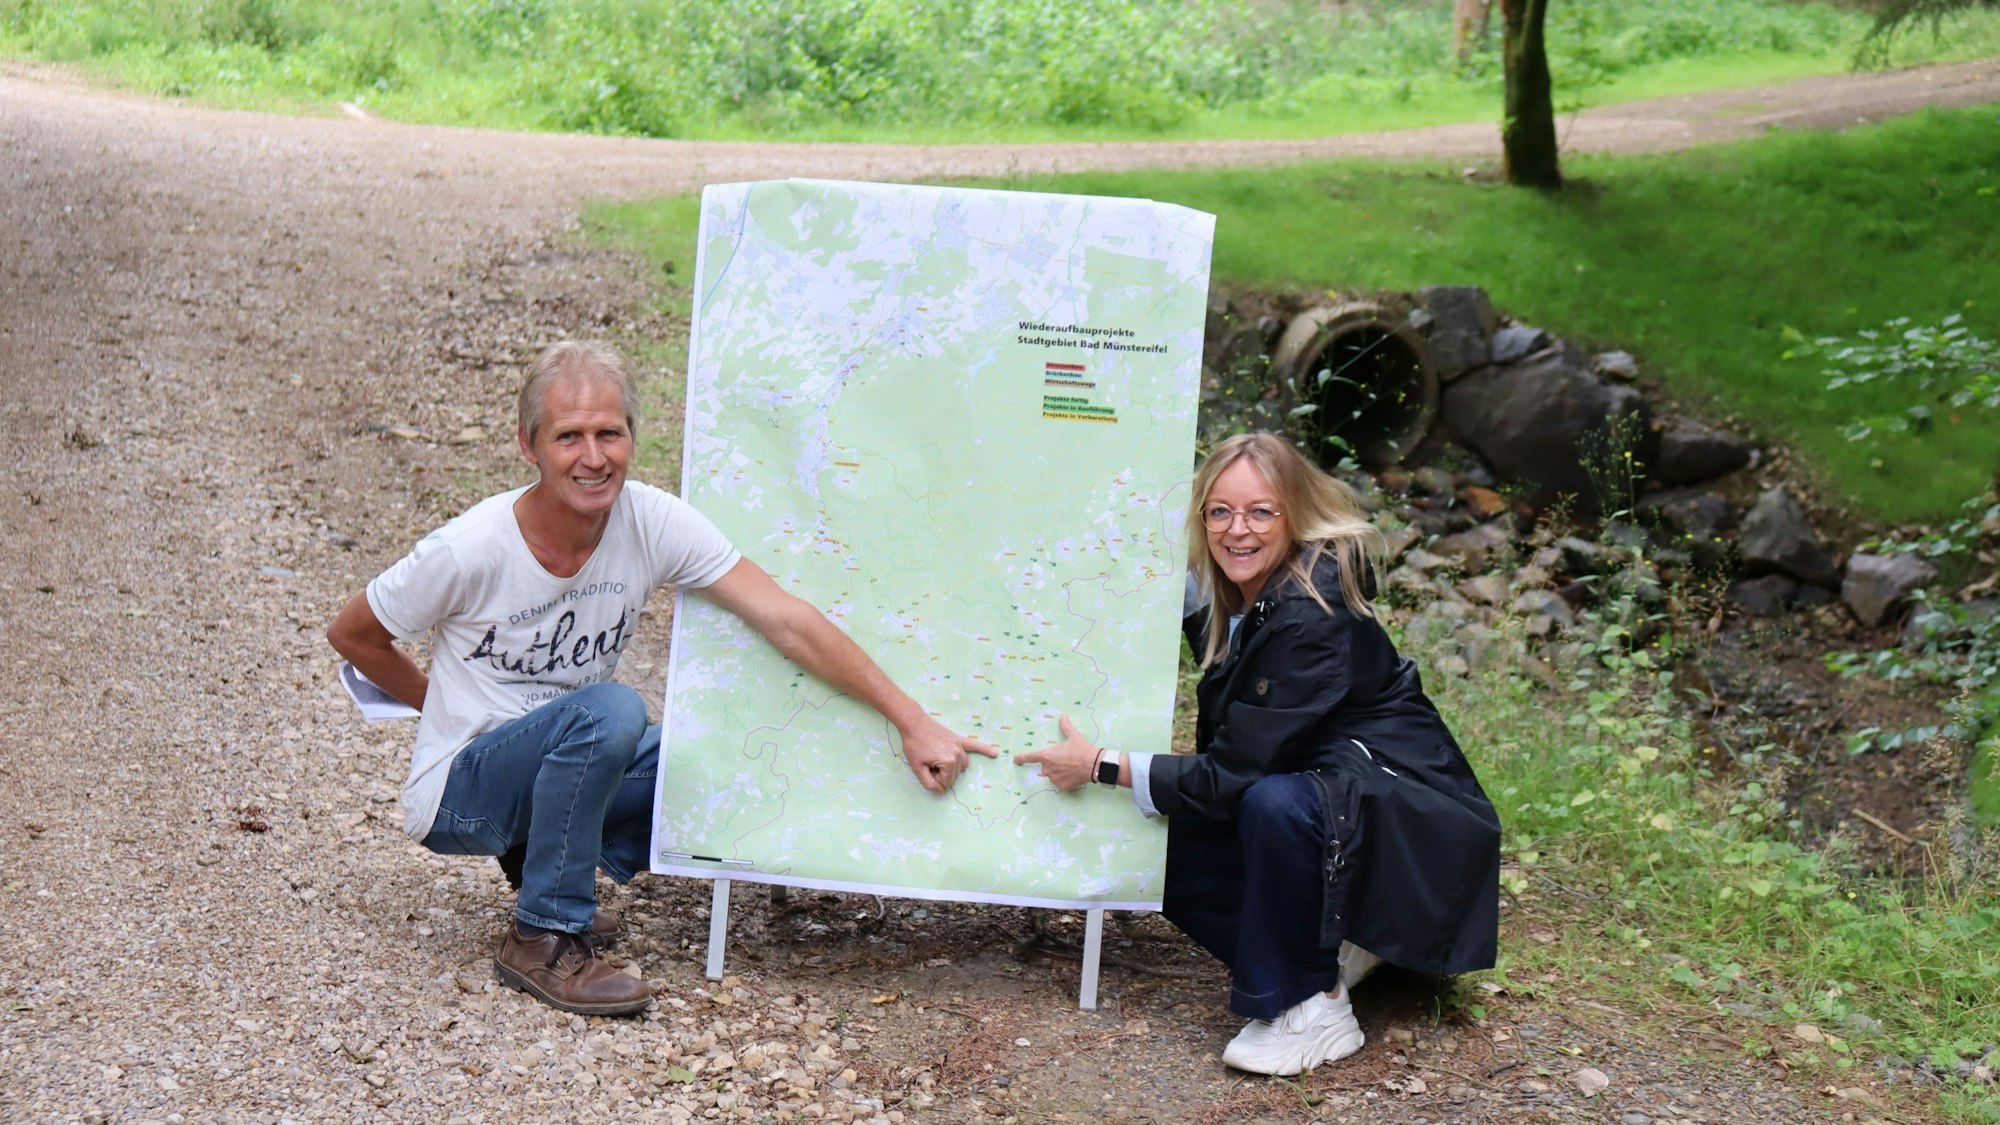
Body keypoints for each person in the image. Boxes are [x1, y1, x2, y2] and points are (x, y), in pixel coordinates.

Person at [328, 341, 996, 1017]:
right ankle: (543, 937)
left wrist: (912, 720)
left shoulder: (652, 522)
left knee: (714, 747)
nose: (594, 457)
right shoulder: (470, 546)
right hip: (460, 791)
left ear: (632, 438)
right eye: (569, 437)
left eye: (610, 433)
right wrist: (443, 707)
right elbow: (354, 633)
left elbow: (786, 619)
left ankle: (544, 868)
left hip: (559, 757)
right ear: (529, 446)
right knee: (612, 712)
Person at [1016, 432, 1500, 1076]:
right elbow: (1232, 667)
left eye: (1260, 512)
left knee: (1275, 802)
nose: (1236, 529)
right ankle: (1337, 943)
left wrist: (1102, 764)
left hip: (1413, 832)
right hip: (1353, 813)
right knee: (1155, 851)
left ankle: (1312, 1002)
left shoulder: (1311, 613)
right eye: (1219, 511)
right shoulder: (1251, 594)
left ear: (1295, 513)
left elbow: (1232, 773)